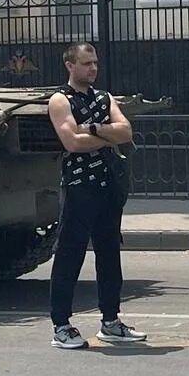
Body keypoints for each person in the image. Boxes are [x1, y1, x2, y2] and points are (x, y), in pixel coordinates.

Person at [46, 40, 140, 350]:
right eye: (87, 63)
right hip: (79, 185)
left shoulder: (104, 97)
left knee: (109, 253)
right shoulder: (61, 100)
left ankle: (110, 322)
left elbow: (126, 131)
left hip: (107, 184)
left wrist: (95, 130)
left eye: (95, 63)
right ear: (70, 65)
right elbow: (71, 142)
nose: (93, 68)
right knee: (70, 254)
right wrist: (105, 134)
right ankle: (61, 325)